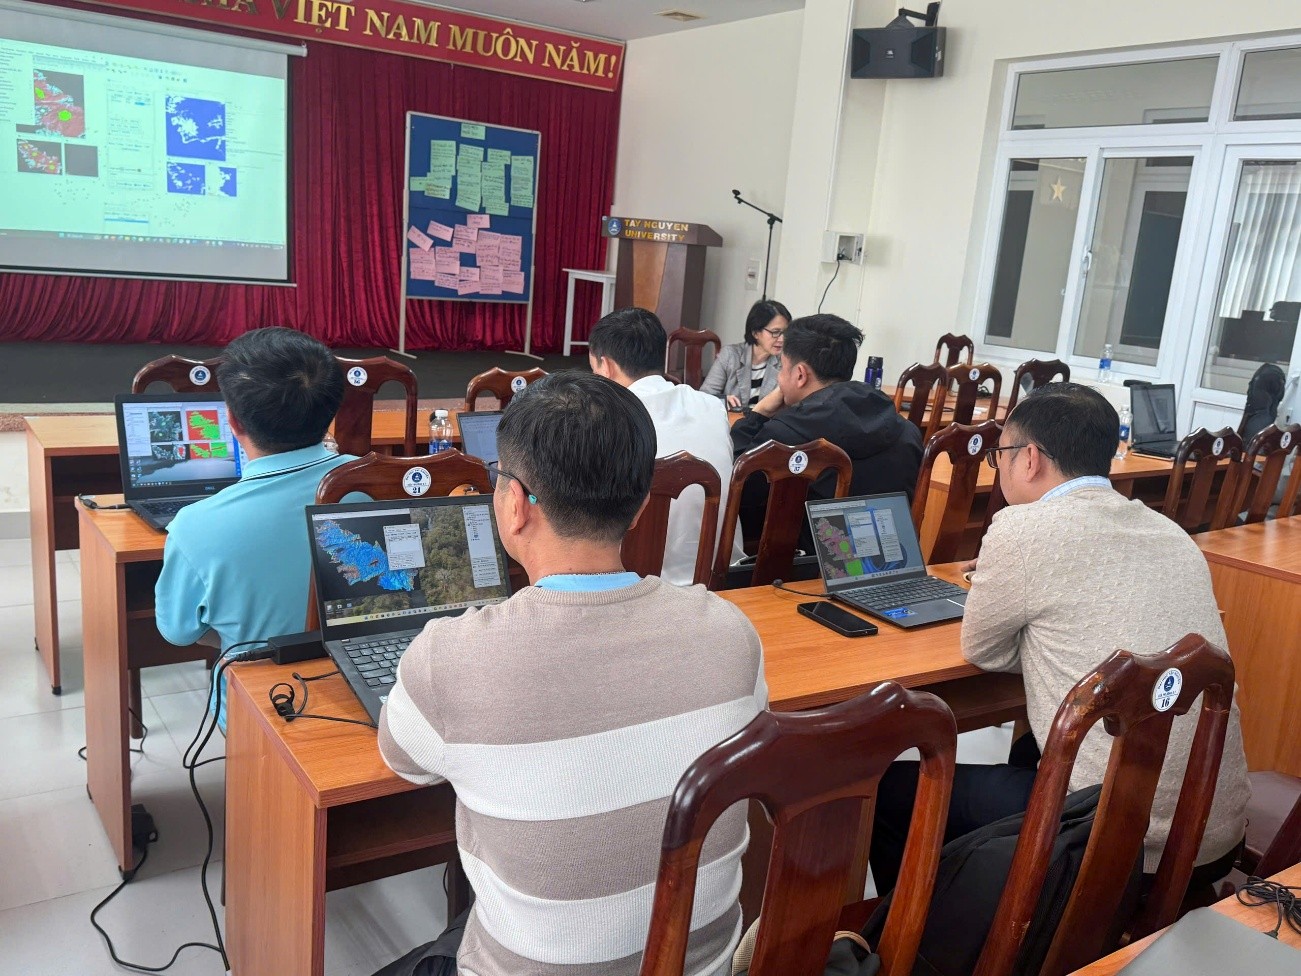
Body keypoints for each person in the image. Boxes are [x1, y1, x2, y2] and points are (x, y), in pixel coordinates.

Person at [377, 372, 766, 976]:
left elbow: (404, 761)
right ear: (640, 506)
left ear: (513, 504)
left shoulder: (450, 657)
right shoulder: (731, 631)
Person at [869, 383, 1249, 895]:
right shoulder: (1170, 533)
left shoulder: (1021, 530)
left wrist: (1016, 592)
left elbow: (983, 650)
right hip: (1211, 836)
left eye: (1000, 456)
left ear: (1028, 459)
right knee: (1027, 754)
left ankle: (914, 938)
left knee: (891, 791)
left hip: (1114, 842)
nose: (999, 469)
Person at [155, 327, 353, 720]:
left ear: (232, 420)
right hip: (370, 688)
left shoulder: (195, 527)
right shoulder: (380, 487)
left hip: (266, 713)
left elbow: (178, 632)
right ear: (332, 410)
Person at [730, 313, 922, 547]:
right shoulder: (906, 430)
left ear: (800, 374)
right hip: (884, 567)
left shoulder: (784, 437)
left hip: (802, 573)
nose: (779, 378)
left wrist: (757, 415)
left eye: (782, 368)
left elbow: (736, 490)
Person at [587, 306, 744, 584]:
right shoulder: (712, 407)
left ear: (606, 366)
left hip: (635, 586)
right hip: (720, 578)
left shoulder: (604, 419)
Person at [700, 299, 790, 409]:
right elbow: (703, 396)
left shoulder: (785, 361)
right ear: (756, 332)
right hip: (732, 422)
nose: (782, 339)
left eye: (785, 332)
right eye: (775, 332)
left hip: (765, 424)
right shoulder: (730, 355)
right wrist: (722, 400)